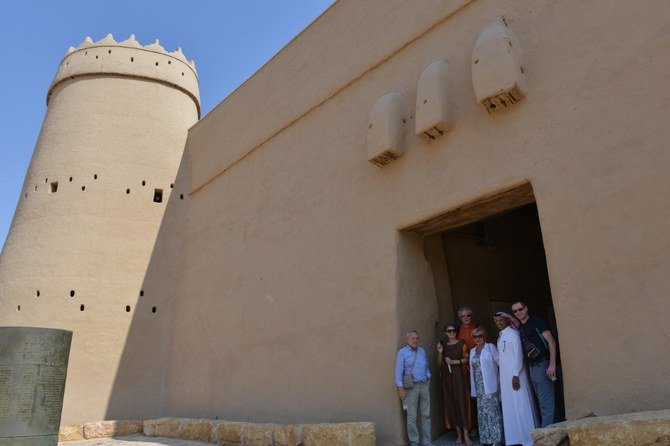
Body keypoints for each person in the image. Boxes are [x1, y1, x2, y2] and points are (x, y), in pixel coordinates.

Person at [494, 312, 538, 446]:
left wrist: (515, 375)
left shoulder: (513, 334)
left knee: (521, 405)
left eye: (501, 320)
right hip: (505, 377)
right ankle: (515, 438)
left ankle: (528, 439)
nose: (499, 323)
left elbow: (518, 355)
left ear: (508, 321)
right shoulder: (500, 337)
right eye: (496, 321)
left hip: (516, 376)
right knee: (510, 407)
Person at [511, 301, 557, 427]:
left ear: (526, 309)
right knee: (542, 402)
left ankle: (545, 436)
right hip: (532, 368)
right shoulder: (520, 328)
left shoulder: (537, 321)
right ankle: (551, 431)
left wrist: (552, 364)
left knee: (546, 403)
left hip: (543, 365)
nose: (518, 312)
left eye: (520, 309)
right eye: (515, 311)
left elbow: (551, 342)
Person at [437, 324, 473, 445]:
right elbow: (439, 364)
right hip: (448, 378)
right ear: (445, 333)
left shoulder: (461, 343)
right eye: (449, 331)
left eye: (453, 331)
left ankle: (466, 433)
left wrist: (454, 362)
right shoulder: (443, 346)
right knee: (451, 403)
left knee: (462, 402)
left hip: (459, 377)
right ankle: (458, 433)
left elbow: (467, 359)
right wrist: (440, 353)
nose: (452, 333)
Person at [395, 330, 431, 446]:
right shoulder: (402, 352)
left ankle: (427, 442)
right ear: (407, 340)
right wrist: (400, 389)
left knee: (426, 415)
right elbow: (398, 372)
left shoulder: (422, 351)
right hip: (411, 387)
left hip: (424, 385)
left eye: (417, 338)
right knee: (412, 416)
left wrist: (428, 377)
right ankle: (414, 442)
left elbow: (426, 366)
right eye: (413, 338)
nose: (415, 340)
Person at [469, 327, 503, 446]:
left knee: (493, 412)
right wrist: (473, 391)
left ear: (484, 336)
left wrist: (501, 383)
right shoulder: (472, 351)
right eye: (475, 337)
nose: (478, 339)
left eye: (480, 336)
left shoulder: (490, 347)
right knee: (482, 413)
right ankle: (486, 439)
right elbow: (471, 372)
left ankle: (497, 439)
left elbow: (500, 364)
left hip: (491, 385)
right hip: (479, 388)